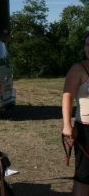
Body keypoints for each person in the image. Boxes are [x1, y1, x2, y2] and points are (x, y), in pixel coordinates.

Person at [62, 32, 89, 195]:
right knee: (84, 176)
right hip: (86, 130)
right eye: (87, 45)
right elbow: (67, 95)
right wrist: (67, 124)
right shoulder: (79, 68)